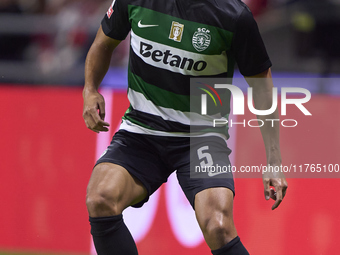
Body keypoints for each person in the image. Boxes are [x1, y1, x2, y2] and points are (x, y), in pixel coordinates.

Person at [82, 0, 288, 254]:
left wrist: (274, 160)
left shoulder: (235, 17)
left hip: (203, 137)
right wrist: (90, 89)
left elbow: (262, 87)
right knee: (100, 198)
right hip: (142, 130)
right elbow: (103, 43)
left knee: (218, 226)